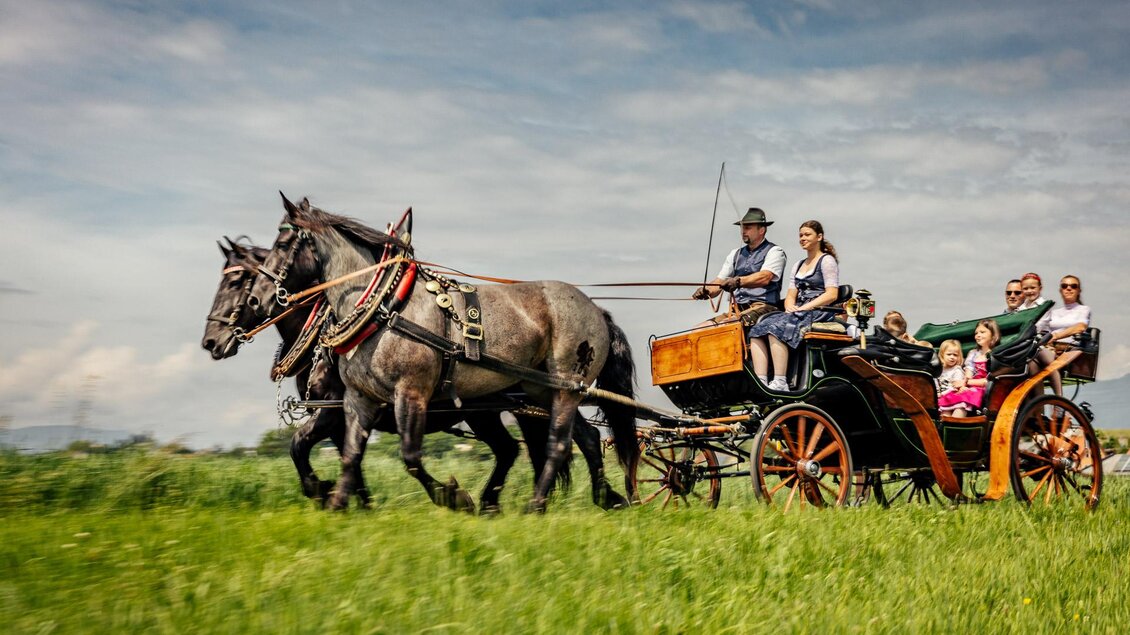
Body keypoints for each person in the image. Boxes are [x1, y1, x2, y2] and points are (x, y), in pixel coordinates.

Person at [746, 220, 839, 392]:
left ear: (819, 237)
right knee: (758, 328)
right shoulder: (798, 265)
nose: (802, 238)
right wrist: (790, 306)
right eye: (801, 235)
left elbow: (831, 294)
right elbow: (790, 295)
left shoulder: (826, 261)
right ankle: (761, 380)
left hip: (820, 311)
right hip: (799, 310)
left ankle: (780, 380)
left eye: (807, 235)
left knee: (776, 327)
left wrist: (806, 307)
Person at [692, 208, 787, 317]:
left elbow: (764, 277)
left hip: (763, 307)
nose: (743, 231)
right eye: (742, 228)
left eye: (747, 228)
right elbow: (719, 282)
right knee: (700, 329)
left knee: (729, 326)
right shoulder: (735, 254)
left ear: (761, 230)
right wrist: (706, 291)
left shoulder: (775, 251)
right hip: (736, 309)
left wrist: (738, 281)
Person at [1031, 274, 1091, 397]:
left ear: (1078, 290)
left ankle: (1059, 398)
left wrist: (1056, 336)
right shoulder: (1054, 312)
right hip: (1050, 347)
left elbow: (1080, 327)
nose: (1068, 288)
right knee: (1031, 364)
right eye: (1065, 286)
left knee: (1043, 356)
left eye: (1073, 286)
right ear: (1060, 290)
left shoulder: (1083, 309)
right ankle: (1037, 406)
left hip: (1069, 349)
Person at [938, 319, 999, 417]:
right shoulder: (973, 353)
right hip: (969, 385)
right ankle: (944, 425)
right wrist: (963, 385)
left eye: (982, 332)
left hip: (984, 388)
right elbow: (968, 374)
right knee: (950, 397)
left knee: (964, 400)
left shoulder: (995, 354)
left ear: (993, 334)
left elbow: (990, 380)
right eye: (976, 333)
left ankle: (955, 423)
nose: (978, 335)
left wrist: (967, 383)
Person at [935, 339, 967, 414]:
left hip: (952, 398)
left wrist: (942, 394)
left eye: (955, 355)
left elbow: (954, 387)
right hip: (942, 398)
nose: (952, 357)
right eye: (949, 354)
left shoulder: (957, 370)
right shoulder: (939, 369)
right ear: (942, 355)